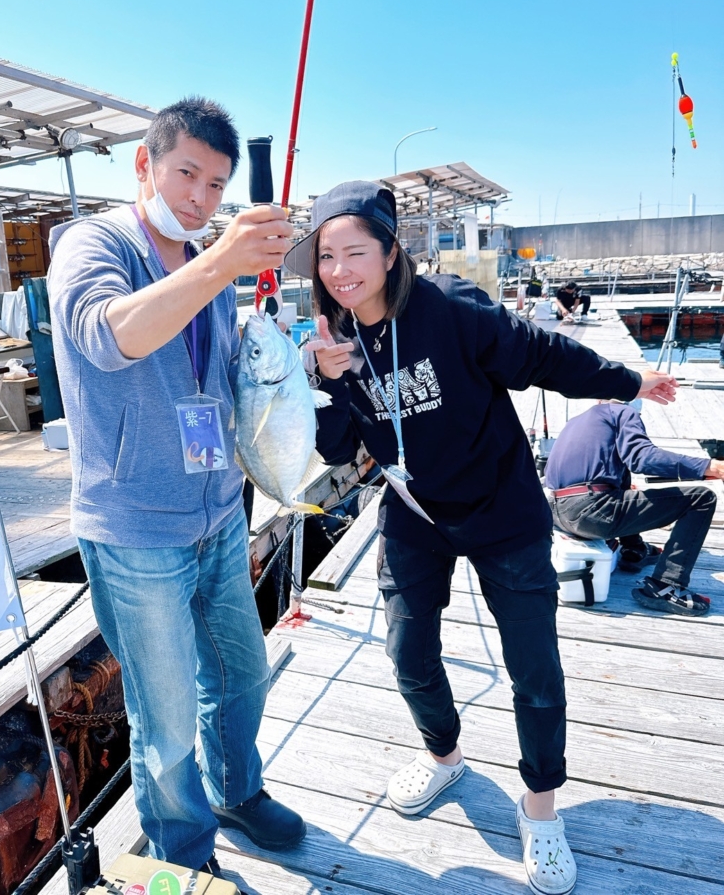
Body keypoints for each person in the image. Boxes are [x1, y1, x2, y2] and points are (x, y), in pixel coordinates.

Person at [287, 180, 677, 895]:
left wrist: (628, 382)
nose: (339, 271)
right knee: (408, 652)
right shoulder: (330, 340)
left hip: (502, 510)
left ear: (390, 251)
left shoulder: (449, 306)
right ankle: (444, 756)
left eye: (355, 252)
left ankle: (541, 805)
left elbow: (542, 355)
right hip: (414, 513)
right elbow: (338, 450)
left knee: (534, 668)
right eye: (327, 258)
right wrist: (326, 381)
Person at [48, 98, 305, 877]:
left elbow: (221, 380)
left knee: (242, 671)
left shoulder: (206, 263)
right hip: (135, 530)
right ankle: (186, 855)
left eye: (216, 183)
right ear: (145, 164)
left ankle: (237, 792)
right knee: (163, 719)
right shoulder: (94, 243)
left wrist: (296, 369)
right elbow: (109, 335)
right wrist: (220, 262)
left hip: (218, 513)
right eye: (186, 173)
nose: (200, 197)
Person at [545, 400, 722, 615]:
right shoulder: (621, 411)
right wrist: (709, 467)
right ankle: (667, 585)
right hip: (591, 513)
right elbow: (642, 458)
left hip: (555, 513)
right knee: (701, 499)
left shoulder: (576, 421)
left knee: (622, 473)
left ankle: (633, 549)